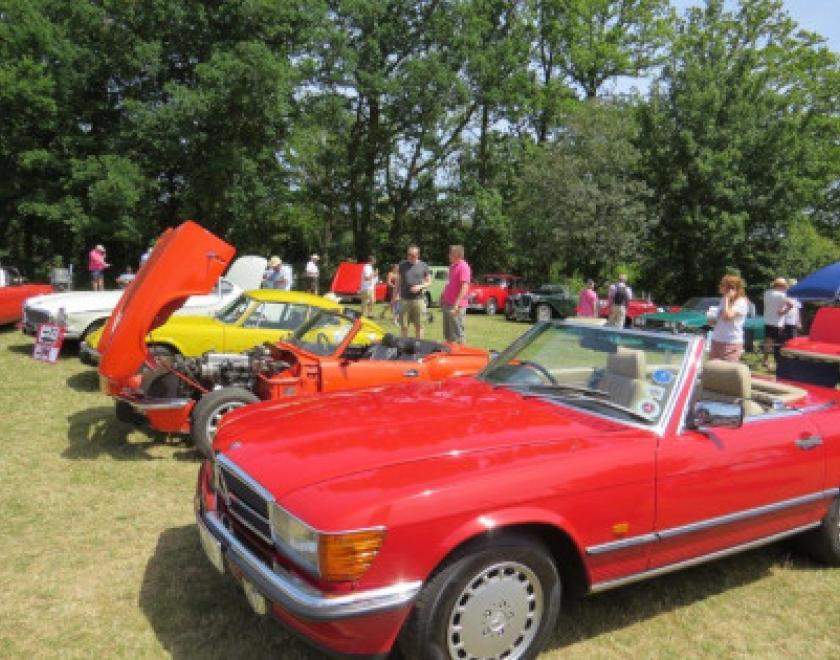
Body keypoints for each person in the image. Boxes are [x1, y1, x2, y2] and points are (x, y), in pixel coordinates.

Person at [708, 274, 750, 362]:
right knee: (713, 371)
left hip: (731, 343)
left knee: (726, 372)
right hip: (717, 340)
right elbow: (719, 319)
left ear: (732, 288)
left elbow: (727, 317)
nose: (720, 286)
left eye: (722, 285)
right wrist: (712, 320)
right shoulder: (723, 300)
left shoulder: (741, 302)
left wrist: (727, 298)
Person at [399, 245, 431, 339]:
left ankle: (419, 347)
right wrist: (393, 298)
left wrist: (420, 286)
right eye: (408, 254)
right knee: (404, 326)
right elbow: (398, 282)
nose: (410, 257)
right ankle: (403, 347)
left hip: (419, 300)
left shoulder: (423, 265)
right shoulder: (402, 265)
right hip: (405, 300)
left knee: (419, 326)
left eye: (413, 255)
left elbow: (429, 282)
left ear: (418, 255)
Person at [441, 245, 471, 344]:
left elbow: (465, 287)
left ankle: (461, 356)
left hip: (456, 305)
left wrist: (456, 305)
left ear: (457, 255)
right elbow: (449, 283)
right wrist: (443, 295)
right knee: (448, 333)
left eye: (450, 253)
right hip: (447, 303)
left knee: (458, 334)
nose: (448, 255)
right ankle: (450, 354)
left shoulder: (464, 267)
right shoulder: (452, 266)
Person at [762, 277, 793, 369]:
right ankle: (779, 362)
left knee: (768, 342)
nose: (786, 289)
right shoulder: (781, 295)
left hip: (768, 320)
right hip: (777, 322)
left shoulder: (767, 293)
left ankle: (765, 360)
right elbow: (791, 304)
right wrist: (784, 311)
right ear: (781, 286)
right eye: (785, 287)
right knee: (779, 343)